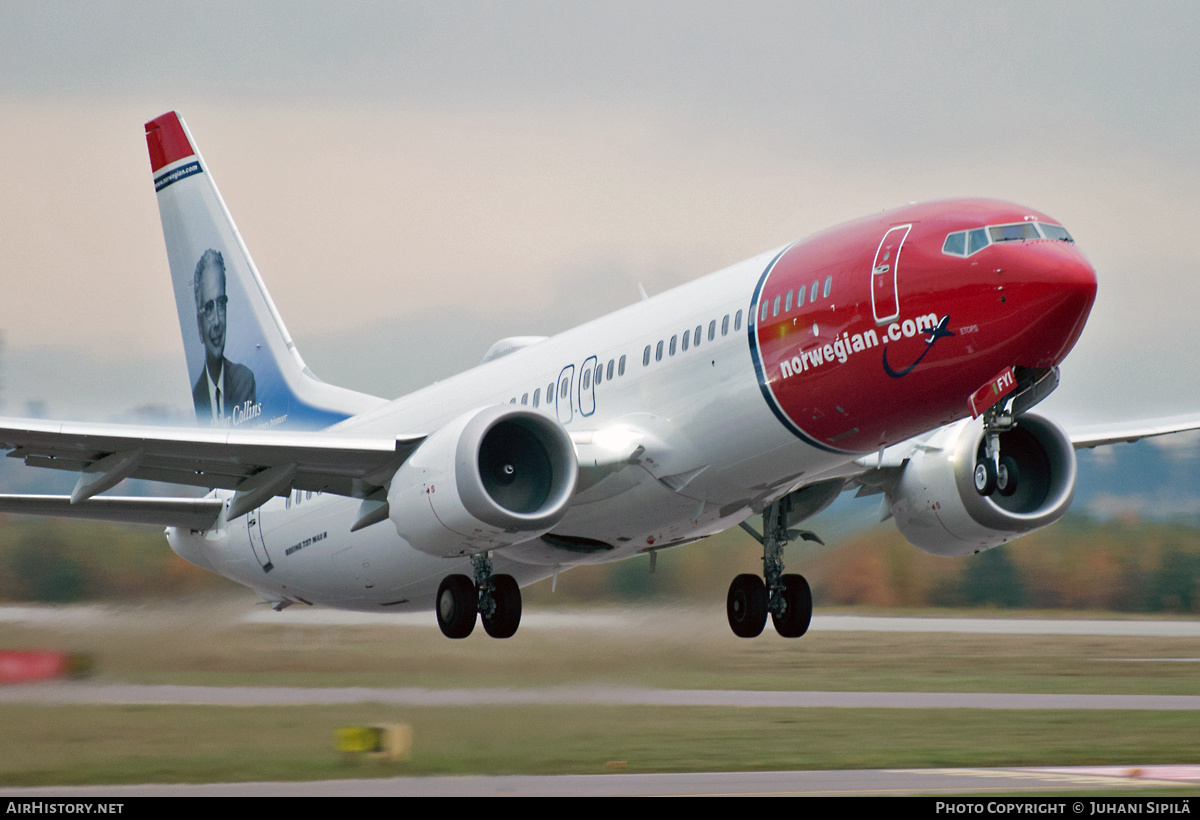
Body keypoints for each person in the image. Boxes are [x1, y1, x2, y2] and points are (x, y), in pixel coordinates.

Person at [191, 249, 256, 425]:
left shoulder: (245, 382)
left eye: (220, 304)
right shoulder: (196, 398)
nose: (217, 322)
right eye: (209, 309)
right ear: (199, 326)